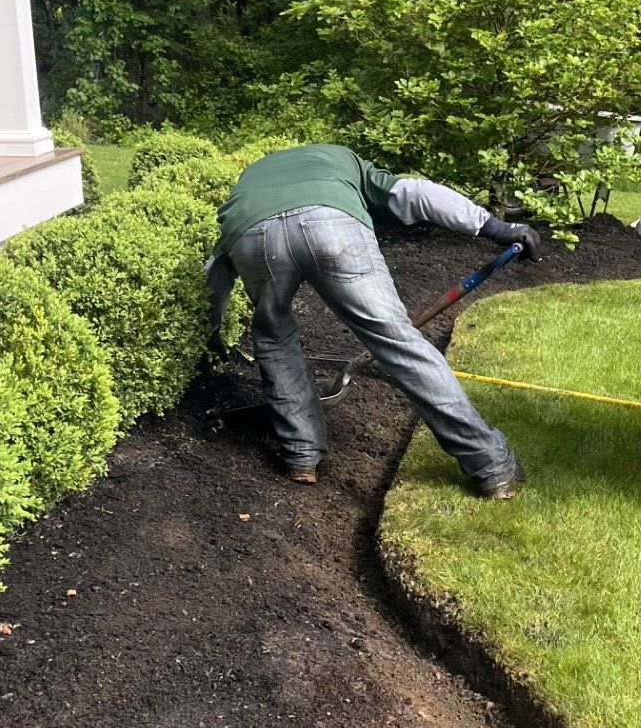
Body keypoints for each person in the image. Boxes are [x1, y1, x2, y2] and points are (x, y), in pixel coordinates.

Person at [204, 143, 539, 495]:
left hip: (252, 237)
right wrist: (495, 227)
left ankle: (301, 454)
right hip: (330, 224)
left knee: (273, 338)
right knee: (400, 344)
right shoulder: (343, 159)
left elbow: (216, 273)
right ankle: (492, 467)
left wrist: (212, 333)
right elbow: (414, 193)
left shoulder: (248, 183)